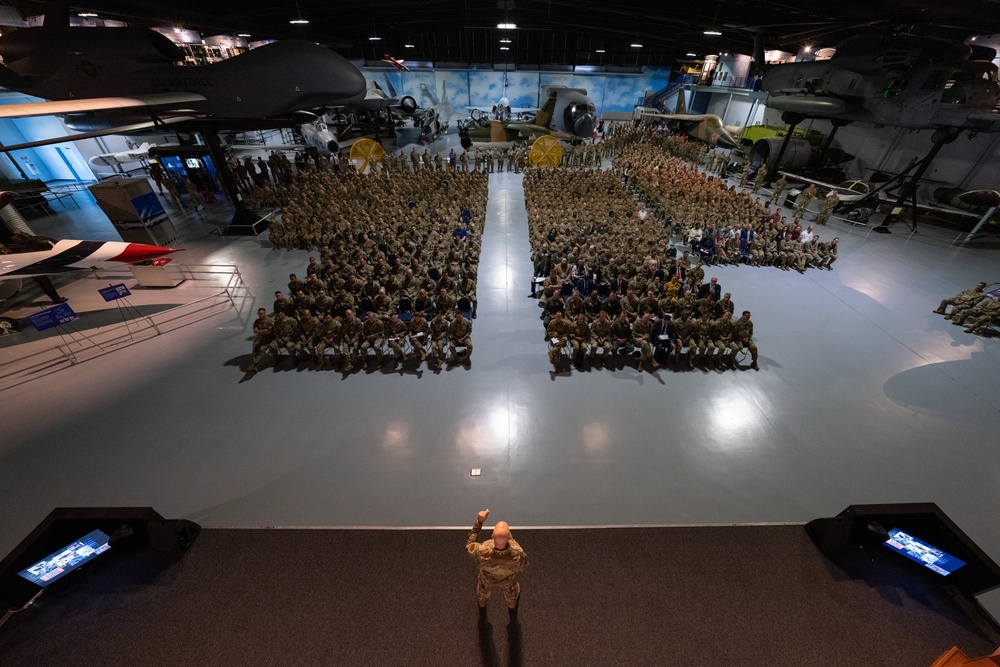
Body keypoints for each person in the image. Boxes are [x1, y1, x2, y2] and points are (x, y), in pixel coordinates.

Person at [466, 509, 528, 612]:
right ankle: (511, 603)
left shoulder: (482, 550)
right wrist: (512, 541)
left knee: (483, 589)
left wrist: (479, 523)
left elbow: (469, 545)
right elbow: (524, 565)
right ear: (509, 536)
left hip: (487, 578)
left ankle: (482, 601)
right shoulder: (517, 554)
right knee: (512, 591)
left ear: (492, 537)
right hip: (507, 580)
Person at [247, 307, 273, 373]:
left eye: (261, 313)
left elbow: (269, 332)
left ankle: (254, 363)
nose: (259, 315)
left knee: (262, 349)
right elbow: (255, 331)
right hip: (261, 337)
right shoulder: (257, 321)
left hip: (269, 338)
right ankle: (254, 365)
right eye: (259, 313)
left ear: (265, 313)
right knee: (255, 346)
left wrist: (259, 331)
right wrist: (263, 331)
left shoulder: (270, 321)